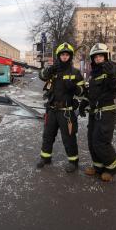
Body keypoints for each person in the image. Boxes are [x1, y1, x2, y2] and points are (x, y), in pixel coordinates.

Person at [79, 43, 116, 182]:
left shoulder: (113, 69)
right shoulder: (93, 74)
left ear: (106, 56)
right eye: (96, 57)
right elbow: (92, 93)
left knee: (101, 142)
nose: (98, 59)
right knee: (91, 141)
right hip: (94, 112)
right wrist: (84, 103)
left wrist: (112, 75)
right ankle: (98, 167)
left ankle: (112, 168)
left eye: (101, 56)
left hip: (106, 112)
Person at [37, 42, 85, 173]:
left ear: (70, 56)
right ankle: (45, 158)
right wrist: (49, 70)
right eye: (62, 55)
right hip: (52, 110)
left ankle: (73, 161)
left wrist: (75, 88)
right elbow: (41, 76)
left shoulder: (75, 72)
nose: (64, 57)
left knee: (69, 137)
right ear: (59, 56)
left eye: (67, 55)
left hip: (66, 112)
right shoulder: (53, 70)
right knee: (48, 135)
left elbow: (82, 91)